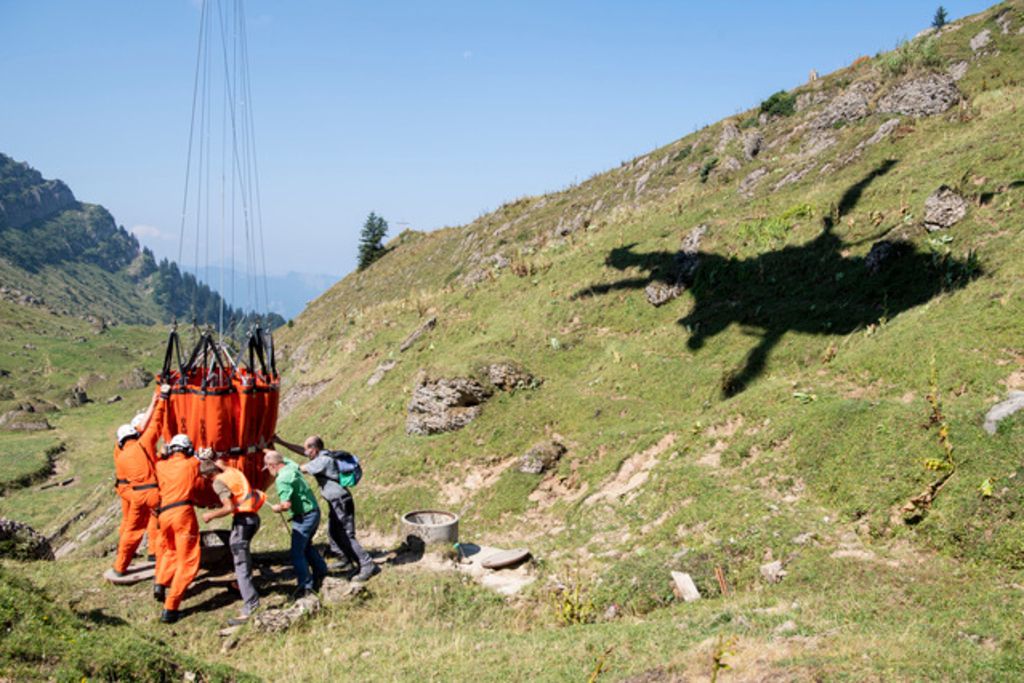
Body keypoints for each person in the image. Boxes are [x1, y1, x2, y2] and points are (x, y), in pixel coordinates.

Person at [275, 434, 378, 581]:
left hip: (340, 501)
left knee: (346, 535)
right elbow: (300, 451)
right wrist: (281, 442)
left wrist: (277, 460)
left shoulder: (322, 461)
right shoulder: (322, 454)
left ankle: (367, 565)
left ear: (314, 449)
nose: (305, 453)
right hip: (336, 500)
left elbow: (297, 469)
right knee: (335, 533)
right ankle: (351, 561)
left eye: (307, 450)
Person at [111, 385, 169, 577]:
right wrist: (162, 400)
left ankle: (120, 567)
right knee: (161, 526)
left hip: (134, 495)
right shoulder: (143, 444)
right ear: (135, 435)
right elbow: (156, 424)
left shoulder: (120, 455)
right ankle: (161, 562)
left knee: (132, 530)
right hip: (153, 492)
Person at [200, 459, 265, 626]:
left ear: (208, 476)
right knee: (243, 557)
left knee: (241, 563)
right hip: (254, 518)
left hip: (242, 522)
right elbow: (222, 464)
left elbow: (228, 507)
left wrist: (211, 515)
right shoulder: (232, 472)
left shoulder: (218, 483)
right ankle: (241, 586)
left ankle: (251, 606)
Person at [263, 450, 327, 599]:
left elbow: (286, 505)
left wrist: (277, 508)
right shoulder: (290, 466)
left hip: (303, 518)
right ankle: (321, 573)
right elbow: (281, 456)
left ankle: (306, 587)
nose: (269, 471)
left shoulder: (282, 479)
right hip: (314, 511)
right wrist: (265, 449)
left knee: (297, 553)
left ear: (273, 465)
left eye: (268, 467)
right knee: (307, 546)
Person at [153, 434, 201, 624]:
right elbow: (201, 459)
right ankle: (171, 608)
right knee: (187, 560)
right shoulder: (191, 464)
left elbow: (160, 456)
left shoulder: (160, 466)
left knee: (170, 550)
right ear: (187, 449)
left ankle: (160, 582)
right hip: (183, 514)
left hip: (164, 515)